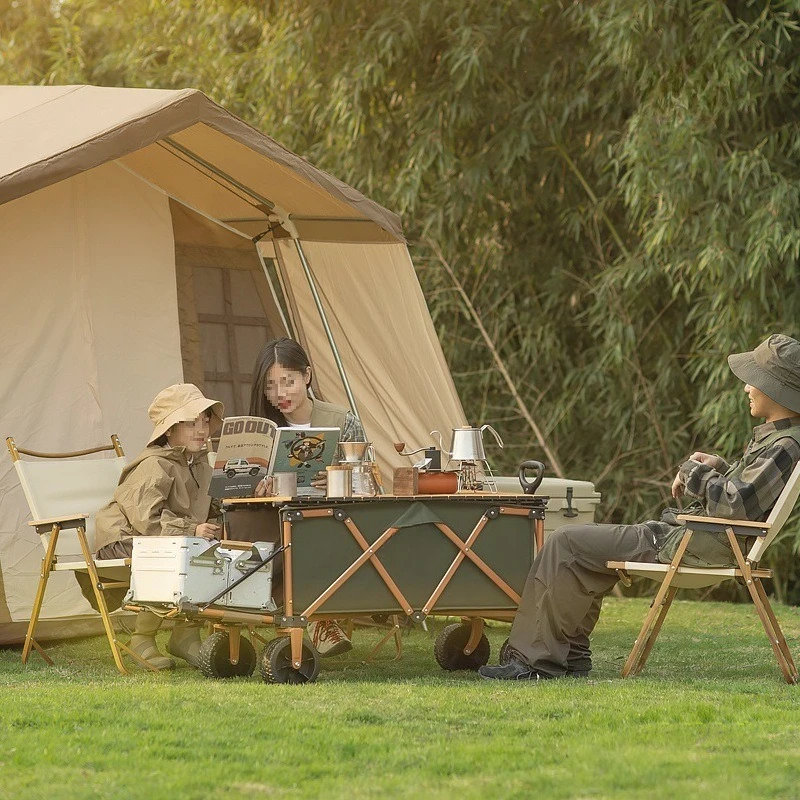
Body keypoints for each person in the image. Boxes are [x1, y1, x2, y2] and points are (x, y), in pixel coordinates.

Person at [479, 333, 800, 681]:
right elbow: (747, 493)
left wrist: (691, 471)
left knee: (566, 544)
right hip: (698, 538)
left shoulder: (784, 444)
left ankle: (533, 663)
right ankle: (569, 656)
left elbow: (735, 504)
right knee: (583, 553)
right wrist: (718, 467)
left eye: (753, 381)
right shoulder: (779, 438)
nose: (746, 388)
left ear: (774, 388)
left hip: (693, 543)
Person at [248, 336, 365, 657]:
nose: (279, 394)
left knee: (315, 532)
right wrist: (257, 489)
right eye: (270, 385)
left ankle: (312, 615)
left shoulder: (342, 422)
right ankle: (317, 619)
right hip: (273, 526)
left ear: (307, 376)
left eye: (288, 382)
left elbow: (367, 480)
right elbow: (231, 492)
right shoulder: (260, 430)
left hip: (334, 524)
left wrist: (336, 479)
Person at [93, 384, 224, 670]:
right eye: (190, 422)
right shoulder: (154, 464)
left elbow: (209, 508)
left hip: (168, 538)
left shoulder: (200, 464)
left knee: (209, 553)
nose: (201, 429)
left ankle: (185, 635)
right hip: (124, 539)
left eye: (204, 420)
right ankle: (142, 638)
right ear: (169, 430)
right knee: (171, 553)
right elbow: (147, 520)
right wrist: (191, 530)